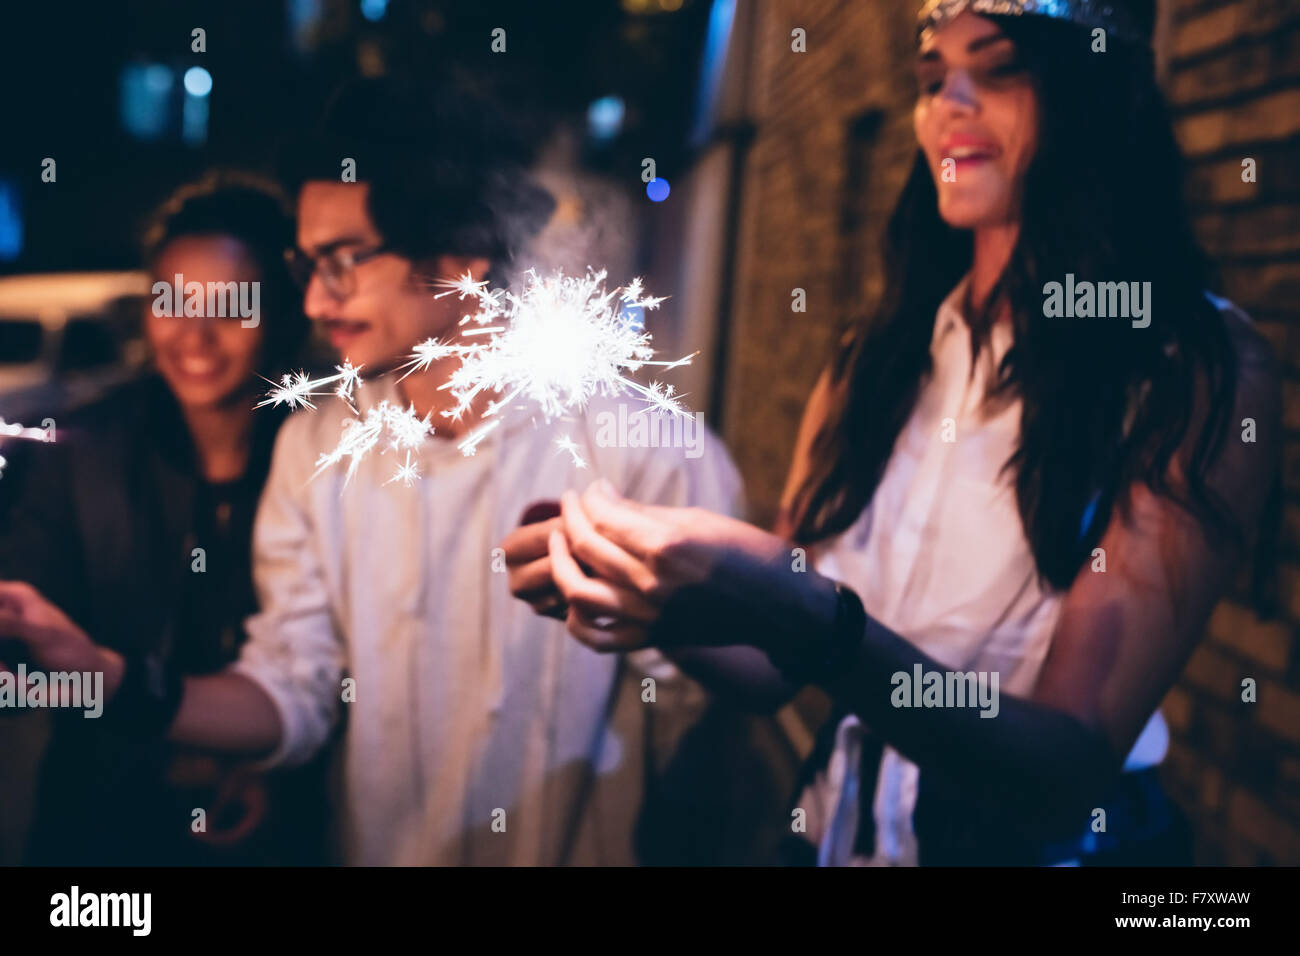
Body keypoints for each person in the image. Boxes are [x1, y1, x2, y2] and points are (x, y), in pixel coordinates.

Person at [509, 0, 1283, 865]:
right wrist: (652, 598)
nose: (948, 102)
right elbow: (775, 668)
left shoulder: (1195, 371)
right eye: (929, 79)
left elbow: (1066, 765)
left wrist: (815, 620)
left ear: (1094, 89)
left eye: (996, 70)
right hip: (844, 828)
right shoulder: (874, 361)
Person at [0, 77, 748, 865]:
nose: (319, 301)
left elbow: (726, 706)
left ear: (464, 248)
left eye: (347, 260)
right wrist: (109, 675)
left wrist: (717, 605)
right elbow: (293, 689)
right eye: (307, 265)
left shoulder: (642, 447)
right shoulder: (319, 447)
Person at [0, 171, 321, 864]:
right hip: (101, 830)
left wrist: (263, 759)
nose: (195, 335)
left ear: (284, 312)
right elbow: (26, 648)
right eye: (172, 301)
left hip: (288, 825)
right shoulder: (78, 449)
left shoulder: (324, 455)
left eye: (233, 306)